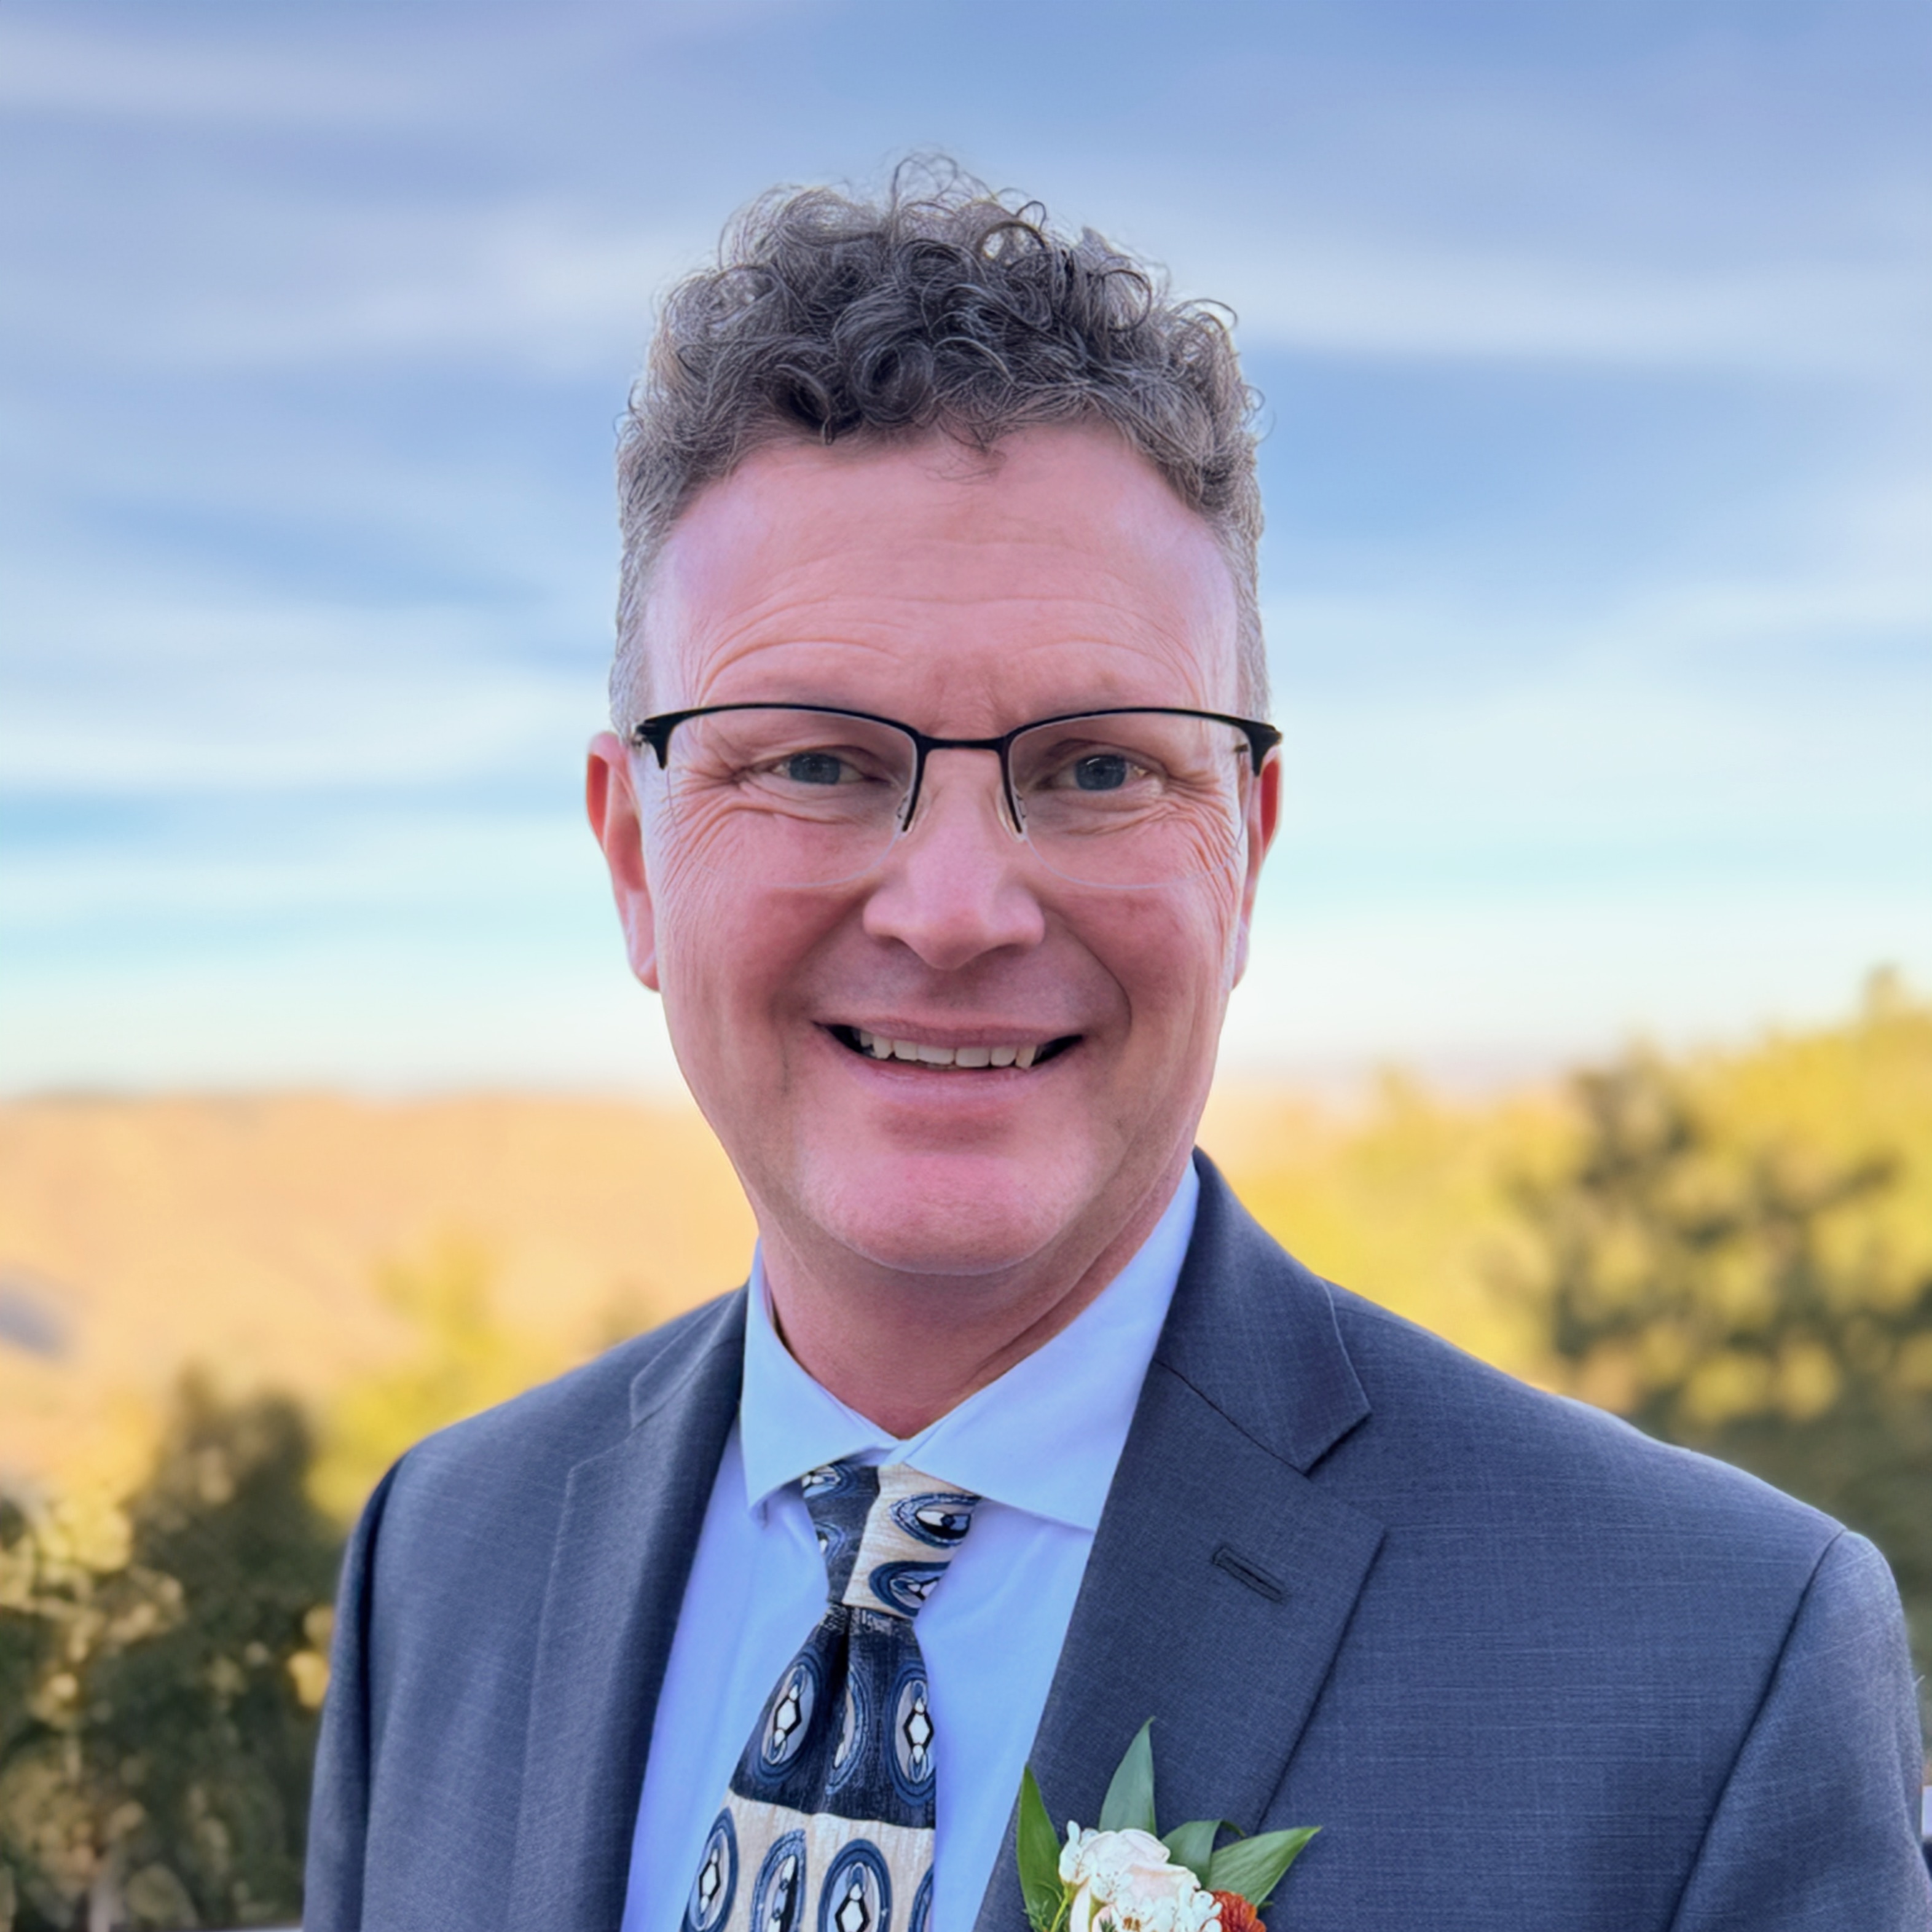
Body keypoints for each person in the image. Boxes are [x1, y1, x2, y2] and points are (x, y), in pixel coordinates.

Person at [304, 171, 1931, 1932]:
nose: (952, 908)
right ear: (633, 854)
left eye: (1095, 768)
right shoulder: (444, 1558)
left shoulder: (1705, 1664)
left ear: (1247, 845)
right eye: (819, 763)